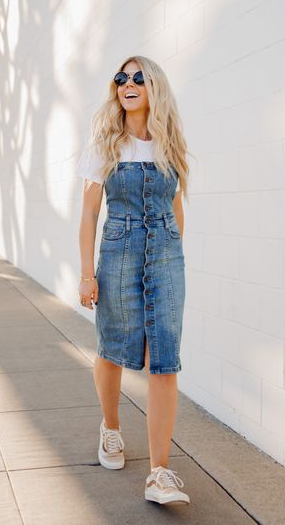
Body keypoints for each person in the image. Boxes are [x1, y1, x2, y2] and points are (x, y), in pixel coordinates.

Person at [76, 55, 191, 506]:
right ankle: (111, 429)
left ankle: (159, 473)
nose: (128, 83)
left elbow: (177, 208)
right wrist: (87, 273)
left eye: (138, 78)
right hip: (118, 252)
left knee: (165, 358)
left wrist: (175, 254)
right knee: (113, 348)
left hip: (165, 256)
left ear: (153, 88)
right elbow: (88, 213)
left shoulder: (170, 144)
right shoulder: (105, 144)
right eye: (121, 78)